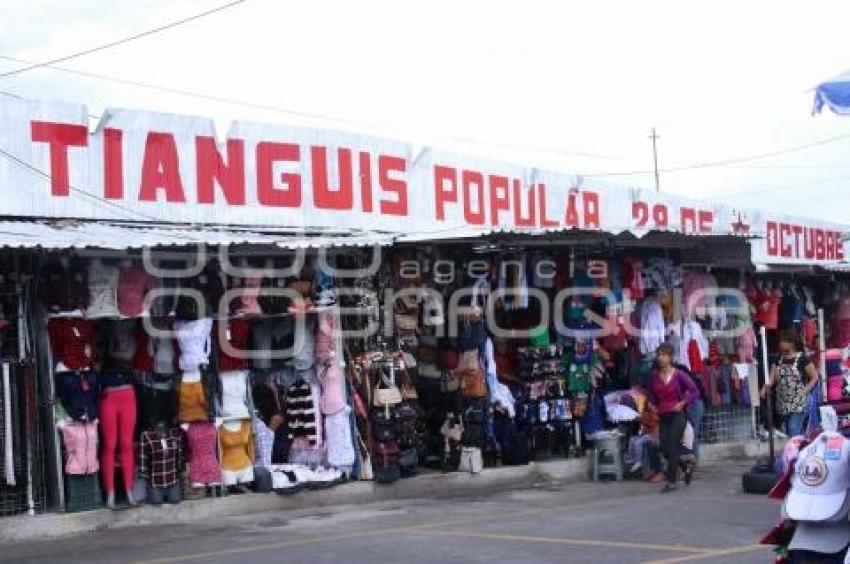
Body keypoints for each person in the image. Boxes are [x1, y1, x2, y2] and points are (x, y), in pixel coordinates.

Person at [647, 344, 699, 492]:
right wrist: (651, 406)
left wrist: (683, 403)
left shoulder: (679, 374)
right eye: (659, 355)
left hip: (678, 415)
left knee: (671, 444)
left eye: (664, 355)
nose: (660, 358)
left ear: (670, 357)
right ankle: (685, 466)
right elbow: (650, 396)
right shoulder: (654, 377)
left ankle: (672, 482)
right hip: (663, 415)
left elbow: (695, 391)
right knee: (664, 449)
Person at [761, 329, 818, 438]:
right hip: (783, 404)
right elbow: (771, 379)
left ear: (792, 343)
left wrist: (804, 391)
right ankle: (797, 451)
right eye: (780, 341)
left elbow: (814, 377)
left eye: (783, 341)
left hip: (798, 403)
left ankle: (796, 452)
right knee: (787, 432)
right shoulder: (778, 360)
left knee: (793, 430)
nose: (780, 343)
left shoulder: (803, 359)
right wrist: (765, 388)